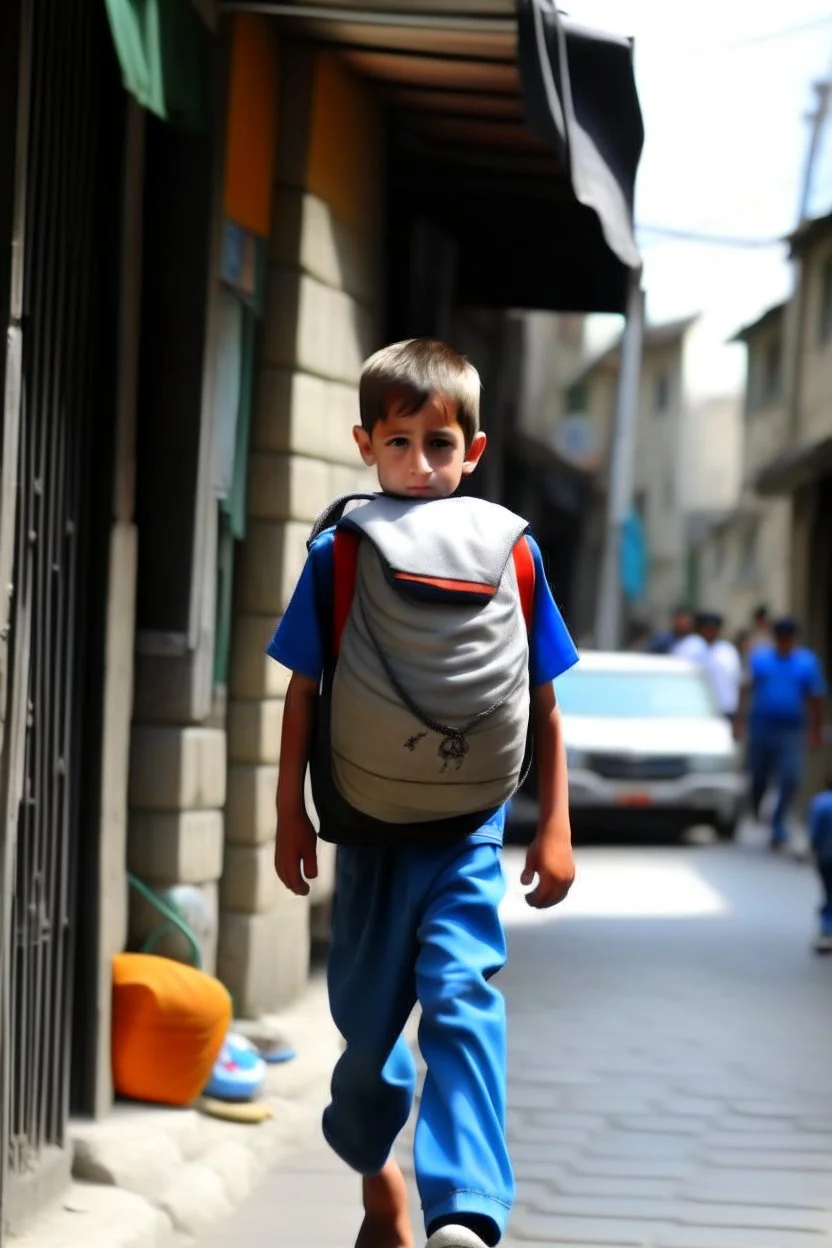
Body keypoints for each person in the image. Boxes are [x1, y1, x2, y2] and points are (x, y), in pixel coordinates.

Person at [267, 338, 579, 1248]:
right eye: (398, 443)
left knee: (461, 997)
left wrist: (552, 826)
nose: (419, 464)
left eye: (439, 445)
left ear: (471, 453)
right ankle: (378, 1177)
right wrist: (291, 811)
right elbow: (302, 690)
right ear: (365, 443)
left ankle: (467, 1211)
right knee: (365, 1045)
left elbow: (547, 701)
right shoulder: (341, 553)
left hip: (466, 836)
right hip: (366, 832)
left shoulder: (510, 555)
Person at [738, 616, 827, 850]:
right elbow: (746, 690)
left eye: (788, 639)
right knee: (758, 776)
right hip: (762, 727)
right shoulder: (761, 659)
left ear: (794, 639)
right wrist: (739, 722)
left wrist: (815, 731)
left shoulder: (806, 662)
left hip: (791, 730)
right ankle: (756, 805)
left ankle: (778, 824)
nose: (785, 643)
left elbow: (815, 698)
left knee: (790, 777)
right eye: (781, 639)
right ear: (775, 639)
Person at [808, 781, 832, 954]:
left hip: (826, 856)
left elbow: (815, 833)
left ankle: (827, 931)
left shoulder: (821, 801)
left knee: (829, 894)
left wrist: (813, 850)